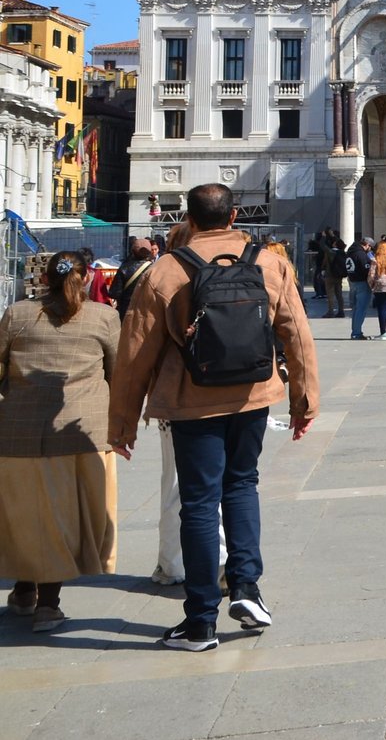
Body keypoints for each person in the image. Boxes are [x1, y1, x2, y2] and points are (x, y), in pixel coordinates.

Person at [110, 182, 319, 652]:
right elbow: (298, 336)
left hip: (192, 400)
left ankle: (201, 619)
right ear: (234, 216)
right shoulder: (269, 263)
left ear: (188, 217)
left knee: (200, 504)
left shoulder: (165, 270)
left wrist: (122, 424)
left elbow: (134, 355)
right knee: (242, 485)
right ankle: (247, 588)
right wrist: (303, 403)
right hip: (252, 396)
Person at [0, 253, 120, 634]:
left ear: (44, 278)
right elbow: (117, 373)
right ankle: (48, 606)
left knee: (26, 516)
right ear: (87, 279)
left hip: (17, 435)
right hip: (80, 433)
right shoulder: (104, 317)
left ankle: (24, 591)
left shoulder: (17, 314)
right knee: (64, 520)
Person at [112, 236, 158, 320]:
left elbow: (114, 293)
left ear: (132, 251)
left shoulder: (124, 268)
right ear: (149, 252)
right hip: (147, 312)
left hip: (126, 311)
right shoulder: (154, 269)